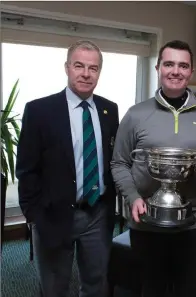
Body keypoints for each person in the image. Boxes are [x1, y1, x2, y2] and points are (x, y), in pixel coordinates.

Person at [111, 40, 196, 297]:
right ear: (158, 68)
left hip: (193, 222)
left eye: (183, 65)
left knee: (190, 288)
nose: (176, 71)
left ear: (191, 72)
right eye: (169, 64)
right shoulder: (135, 115)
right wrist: (134, 197)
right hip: (147, 220)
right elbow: (119, 162)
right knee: (152, 288)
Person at [16, 40, 119, 297]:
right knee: (54, 287)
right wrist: (33, 215)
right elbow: (26, 169)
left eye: (93, 68)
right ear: (67, 68)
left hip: (97, 214)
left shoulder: (109, 110)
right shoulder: (40, 110)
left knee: (97, 283)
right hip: (54, 215)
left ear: (99, 72)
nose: (86, 73)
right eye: (79, 66)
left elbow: (111, 159)